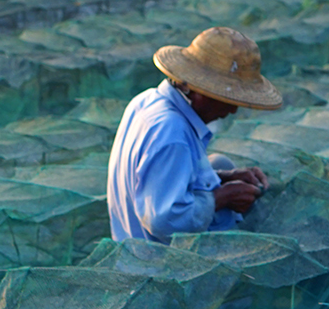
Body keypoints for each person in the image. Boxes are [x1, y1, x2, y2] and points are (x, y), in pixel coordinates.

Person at [107, 26, 282, 243]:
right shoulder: (172, 133)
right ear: (198, 90)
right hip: (160, 263)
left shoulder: (146, 100)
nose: (233, 110)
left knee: (222, 164)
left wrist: (224, 178)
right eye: (228, 99)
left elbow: (159, 179)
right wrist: (222, 197)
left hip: (127, 238)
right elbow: (165, 221)